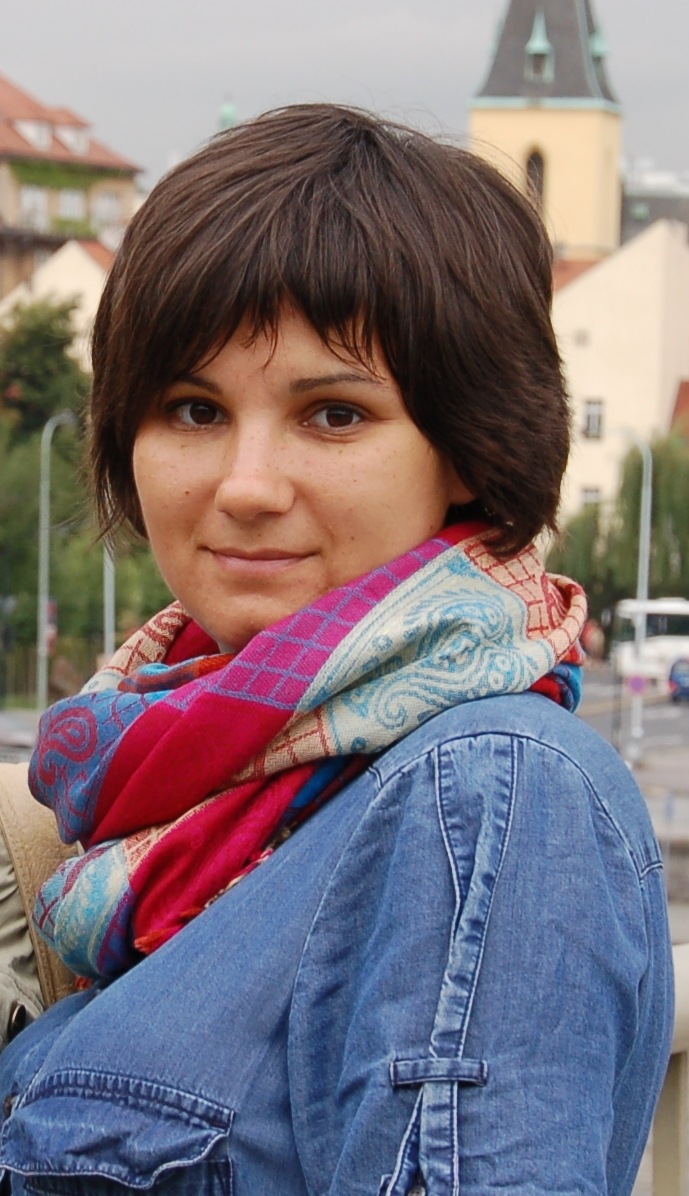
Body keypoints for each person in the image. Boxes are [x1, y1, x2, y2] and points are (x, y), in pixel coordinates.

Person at [0, 104, 673, 1193]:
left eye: (333, 415)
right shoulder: (171, 791)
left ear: (468, 447)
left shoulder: (487, 791)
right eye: (193, 409)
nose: (246, 485)